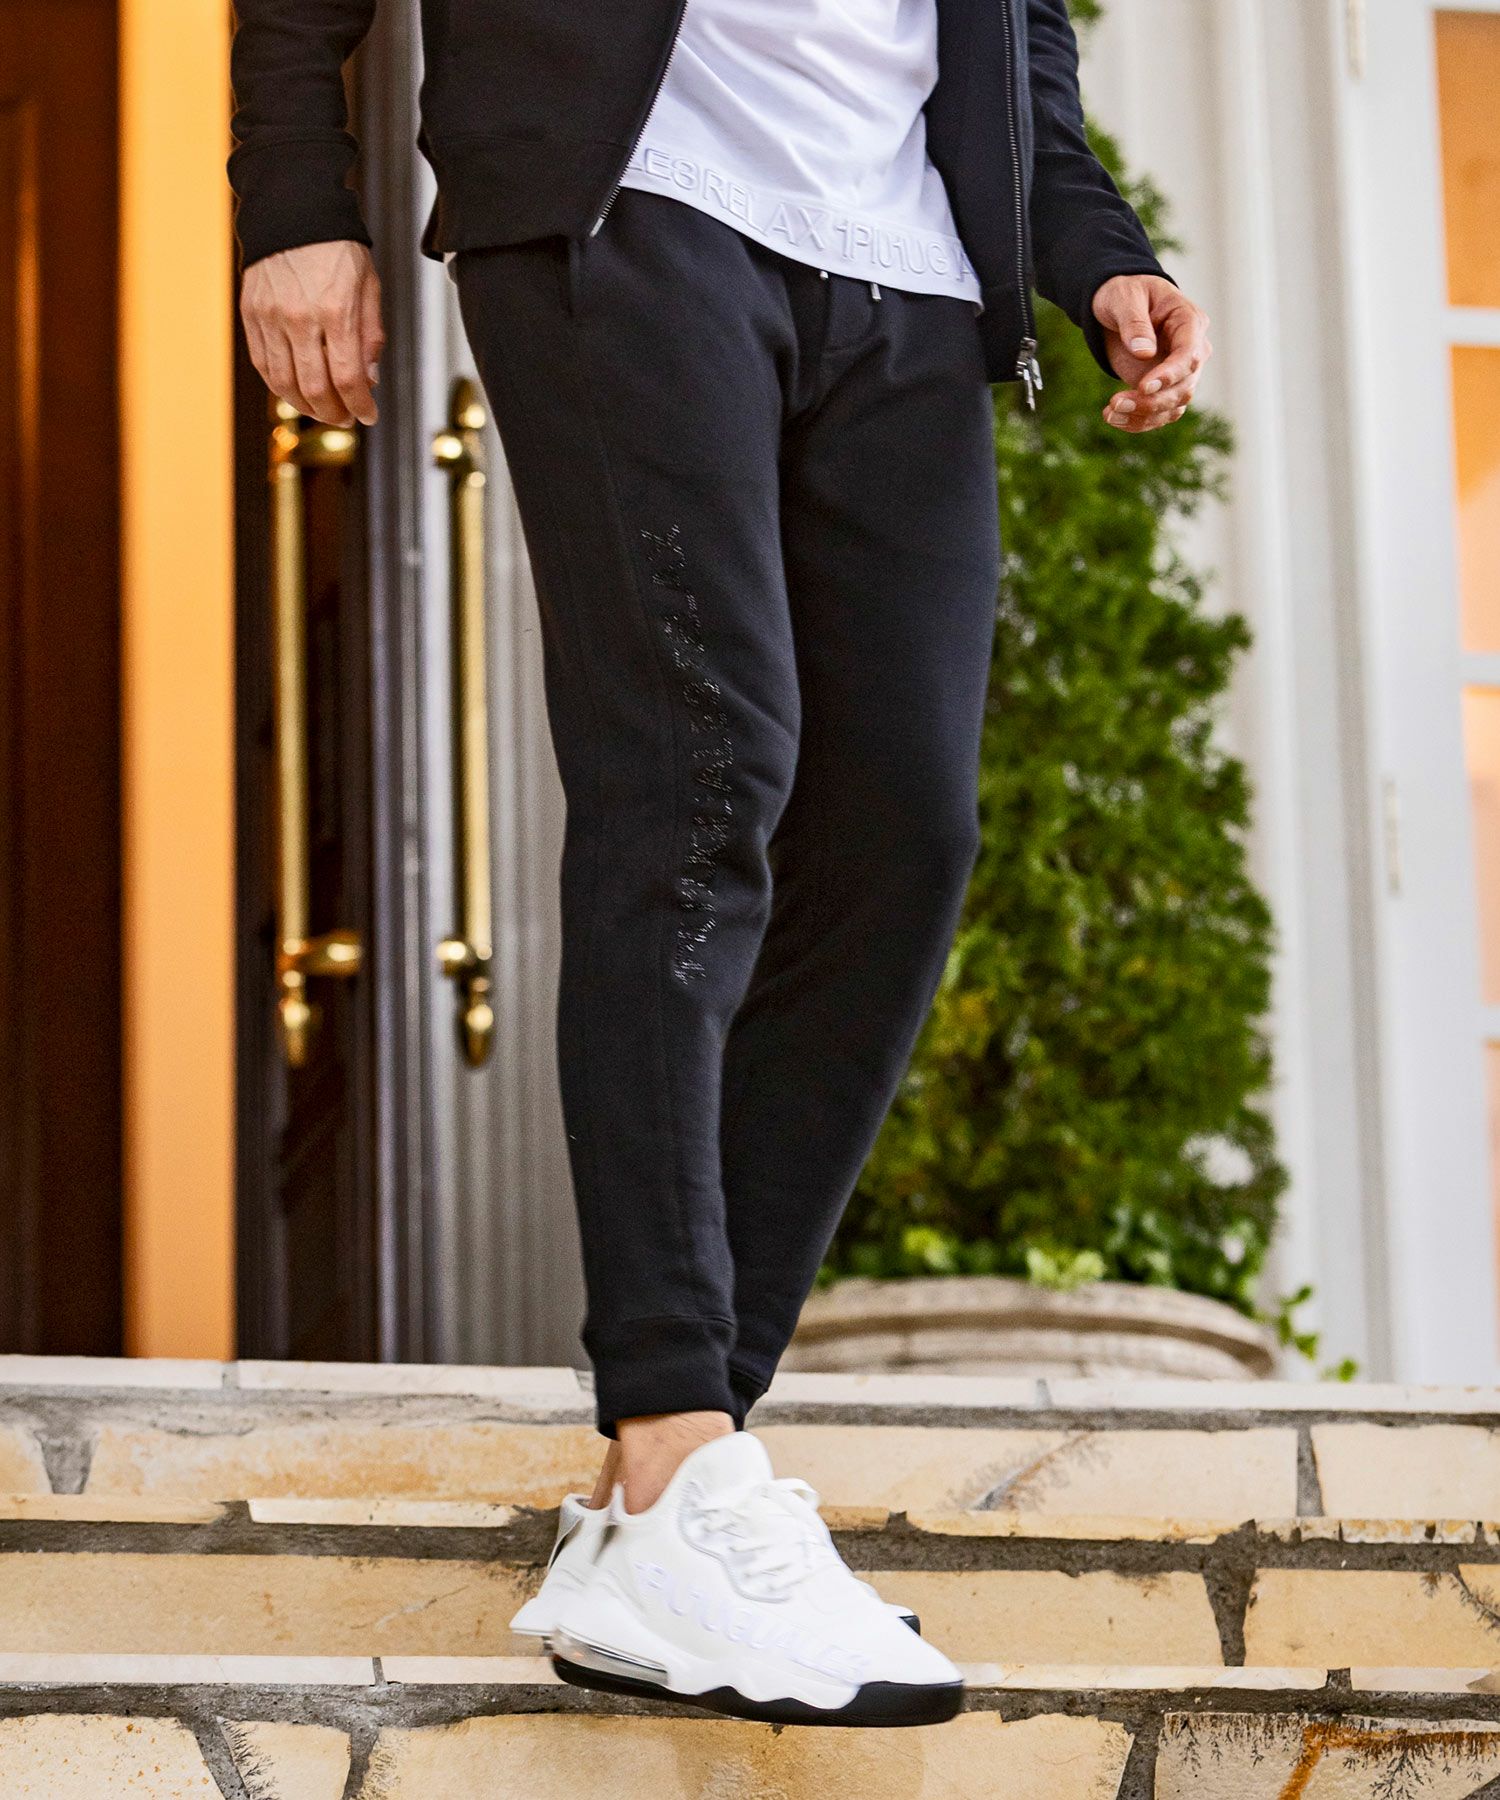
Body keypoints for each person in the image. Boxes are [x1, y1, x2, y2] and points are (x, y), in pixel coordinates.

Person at [230, 0, 1210, 1728]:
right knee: (695, 785)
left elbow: (1015, 38)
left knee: (906, 836)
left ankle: (664, 1507)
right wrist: (299, 198)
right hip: (634, 200)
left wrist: (1094, 247)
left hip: (907, 262)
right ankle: (676, 1436)